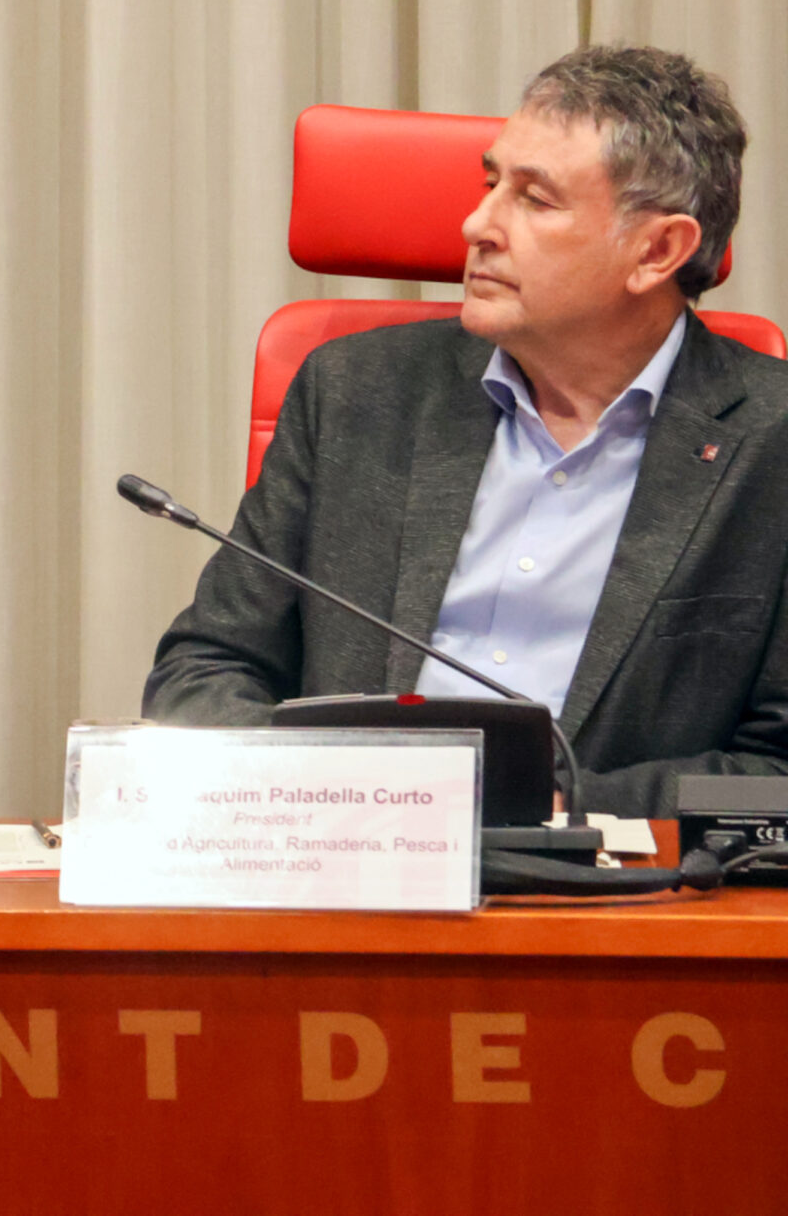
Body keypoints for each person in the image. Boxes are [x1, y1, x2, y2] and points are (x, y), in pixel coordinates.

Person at [143, 46, 788, 815]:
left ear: (657, 251)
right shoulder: (354, 395)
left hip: (613, 876)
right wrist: (342, 795)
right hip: (352, 857)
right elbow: (204, 671)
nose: (476, 223)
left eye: (534, 199)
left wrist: (541, 804)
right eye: (490, 185)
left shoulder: (770, 443)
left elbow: (776, 772)